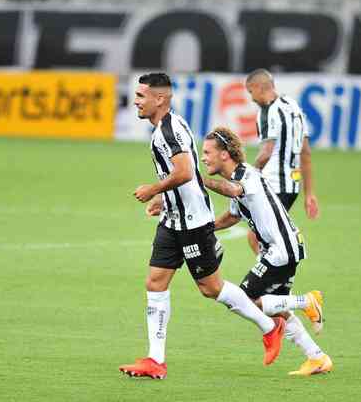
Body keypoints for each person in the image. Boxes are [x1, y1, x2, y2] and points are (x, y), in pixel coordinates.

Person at [119, 73, 285, 380]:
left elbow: (184, 172)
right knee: (155, 282)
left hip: (193, 225)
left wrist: (154, 189)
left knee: (212, 289)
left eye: (142, 96)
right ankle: (156, 360)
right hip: (173, 221)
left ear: (160, 99)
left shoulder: (167, 132)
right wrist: (165, 201)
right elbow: (187, 175)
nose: (136, 101)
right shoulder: (172, 124)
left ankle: (270, 325)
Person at [201, 126, 333, 376]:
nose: (203, 157)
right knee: (278, 310)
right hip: (285, 247)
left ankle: (307, 301)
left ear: (225, 155)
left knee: (244, 299)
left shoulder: (246, 175)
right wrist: (206, 229)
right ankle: (317, 358)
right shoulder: (237, 179)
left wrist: (197, 179)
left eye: (208, 152)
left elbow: (233, 191)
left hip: (281, 249)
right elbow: (232, 215)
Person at [245, 68, 319, 255]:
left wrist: (248, 175)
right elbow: (306, 152)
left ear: (259, 88)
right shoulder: (294, 107)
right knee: (267, 234)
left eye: (251, 92)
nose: (252, 99)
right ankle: (273, 277)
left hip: (274, 183)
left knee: (257, 236)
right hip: (292, 186)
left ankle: (272, 279)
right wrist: (309, 193)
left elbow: (266, 153)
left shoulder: (268, 111)